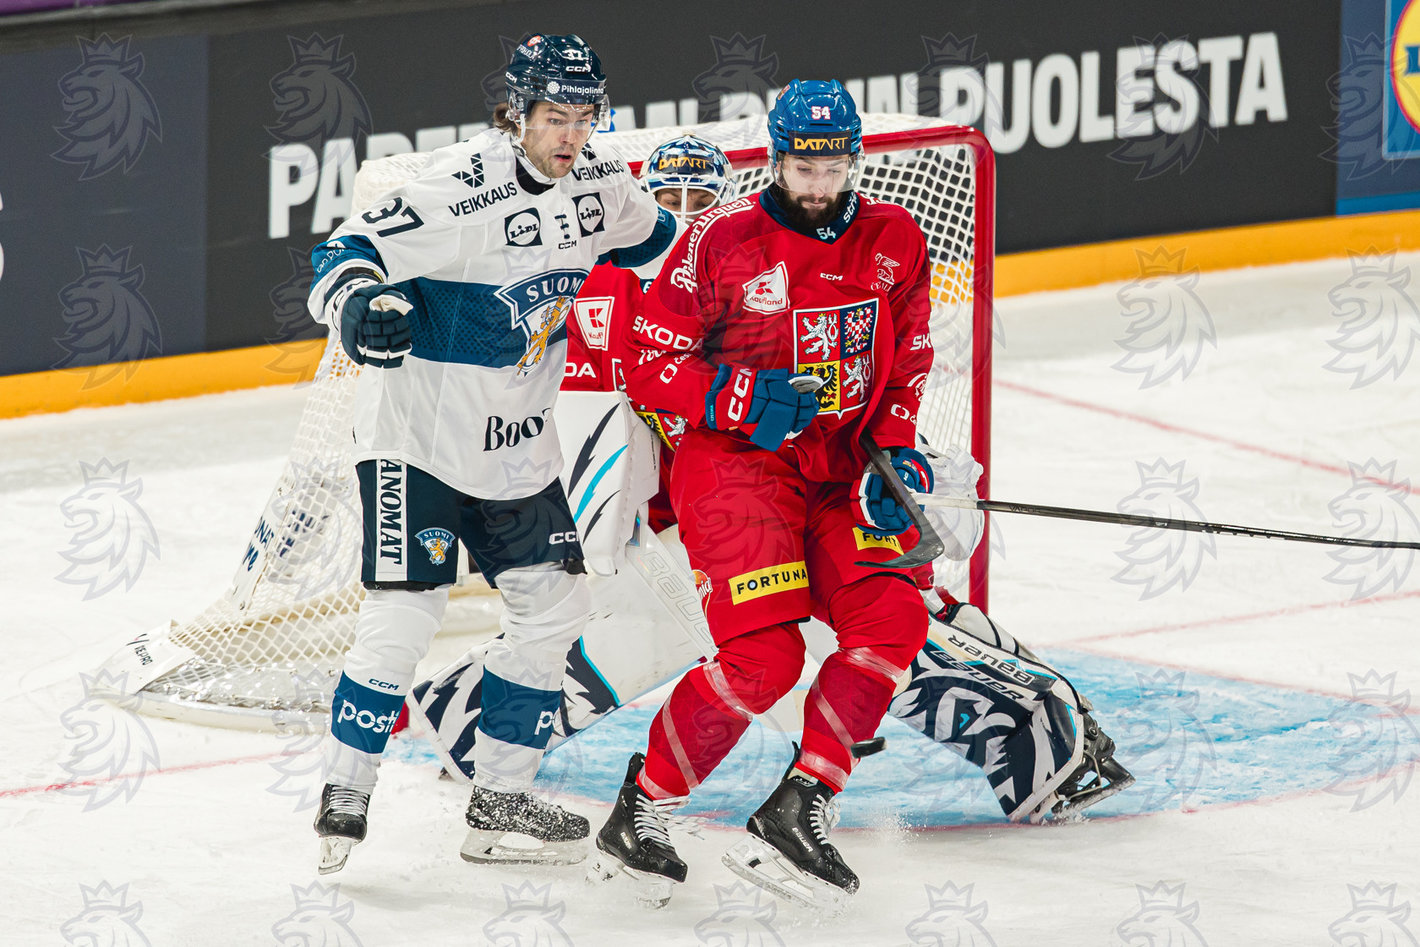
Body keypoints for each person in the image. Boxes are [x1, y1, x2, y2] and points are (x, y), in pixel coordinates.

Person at [409, 131, 1133, 894]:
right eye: (666, 197)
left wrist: (905, 463)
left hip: (795, 500)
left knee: (897, 616)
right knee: (738, 653)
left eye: (697, 197)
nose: (681, 211)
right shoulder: (606, 288)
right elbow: (570, 417)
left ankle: (947, 765)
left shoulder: (754, 261)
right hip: (679, 528)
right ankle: (489, 735)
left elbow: (875, 373)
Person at [583, 78, 1089, 913]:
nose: (818, 185)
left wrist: (897, 457)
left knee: (893, 616)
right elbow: (650, 365)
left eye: (832, 168)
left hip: (842, 468)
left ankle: (802, 801)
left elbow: (910, 362)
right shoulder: (720, 241)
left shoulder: (895, 238)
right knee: (765, 659)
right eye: (802, 168)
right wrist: (738, 396)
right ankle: (641, 810)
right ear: (777, 160)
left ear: (853, 161)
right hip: (737, 468)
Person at [303, 32, 679, 874]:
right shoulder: (459, 187)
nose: (570, 136)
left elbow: (668, 250)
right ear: (516, 113)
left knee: (555, 609)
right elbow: (343, 253)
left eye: (583, 117)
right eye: (554, 117)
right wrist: (361, 307)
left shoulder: (600, 184)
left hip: (516, 449)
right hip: (417, 444)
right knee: (404, 616)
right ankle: (345, 791)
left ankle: (500, 800)